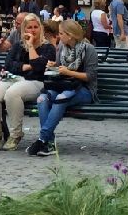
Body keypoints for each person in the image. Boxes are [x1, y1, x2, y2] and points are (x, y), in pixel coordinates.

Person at [0, 13, 54, 151]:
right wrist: (25, 66)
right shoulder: (18, 45)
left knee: (12, 93)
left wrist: (31, 47)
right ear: (24, 30)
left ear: (40, 28)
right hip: (14, 78)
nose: (32, 30)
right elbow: (9, 65)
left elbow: (39, 67)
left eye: (35, 27)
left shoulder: (48, 47)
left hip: (36, 81)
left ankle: (16, 133)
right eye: (29, 27)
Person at [29, 19, 99, 156]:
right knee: (42, 98)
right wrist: (53, 66)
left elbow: (90, 77)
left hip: (84, 90)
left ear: (70, 35)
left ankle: (42, 140)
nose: (59, 36)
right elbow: (60, 69)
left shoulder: (88, 49)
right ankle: (49, 143)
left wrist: (69, 72)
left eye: (61, 33)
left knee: (61, 98)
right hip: (64, 85)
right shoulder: (62, 46)